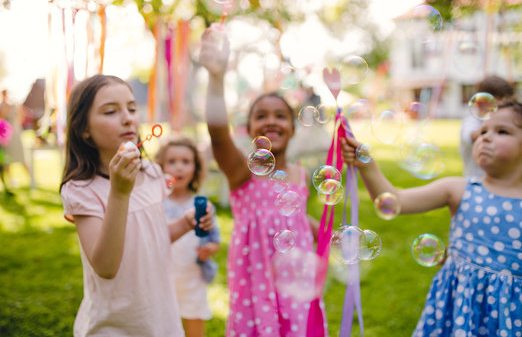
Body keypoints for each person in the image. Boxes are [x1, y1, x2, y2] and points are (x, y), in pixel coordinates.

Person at [341, 100, 522, 336]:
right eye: (483, 131)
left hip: (513, 314)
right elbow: (394, 200)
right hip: (458, 306)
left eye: (502, 131)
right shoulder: (458, 189)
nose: (485, 137)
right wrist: (367, 164)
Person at [59, 74, 214, 336]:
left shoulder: (151, 172)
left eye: (132, 108)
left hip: (159, 315)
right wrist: (119, 193)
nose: (128, 117)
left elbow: (153, 236)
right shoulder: (82, 190)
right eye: (110, 111)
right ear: (83, 129)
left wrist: (185, 223)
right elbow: (105, 267)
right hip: (116, 324)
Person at [199, 27, 326, 336]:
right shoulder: (243, 172)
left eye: (281, 116)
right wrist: (216, 78)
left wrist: (324, 232)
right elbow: (217, 134)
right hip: (255, 278)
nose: (271, 121)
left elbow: (293, 215)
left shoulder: (300, 174)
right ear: (249, 128)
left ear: (293, 128)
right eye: (261, 116)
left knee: (296, 325)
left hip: (296, 273)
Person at [155, 137, 221, 337]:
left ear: (196, 167)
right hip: (160, 278)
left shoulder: (202, 204)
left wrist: (210, 249)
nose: (179, 168)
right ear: (161, 167)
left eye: (186, 162)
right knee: (160, 326)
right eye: (172, 161)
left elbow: (214, 240)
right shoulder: (156, 202)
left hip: (192, 277)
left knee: (194, 323)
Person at [460, 75, 515, 179]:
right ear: (481, 102)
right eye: (500, 106)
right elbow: (471, 137)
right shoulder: (471, 121)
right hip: (475, 181)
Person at [0, 89, 30, 186]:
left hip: (15, 133)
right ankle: (10, 180)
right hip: (5, 135)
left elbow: (21, 115)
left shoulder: (14, 104)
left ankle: (31, 179)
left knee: (21, 157)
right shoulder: (2, 106)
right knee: (7, 160)